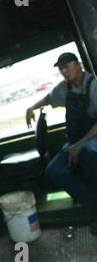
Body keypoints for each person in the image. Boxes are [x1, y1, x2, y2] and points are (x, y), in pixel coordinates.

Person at [26, 52, 97, 233]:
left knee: (88, 154)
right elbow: (49, 98)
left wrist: (79, 145)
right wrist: (31, 107)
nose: (64, 71)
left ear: (78, 65)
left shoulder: (93, 85)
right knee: (54, 170)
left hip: (92, 138)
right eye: (60, 68)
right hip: (73, 141)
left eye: (67, 66)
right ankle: (94, 207)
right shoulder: (65, 88)